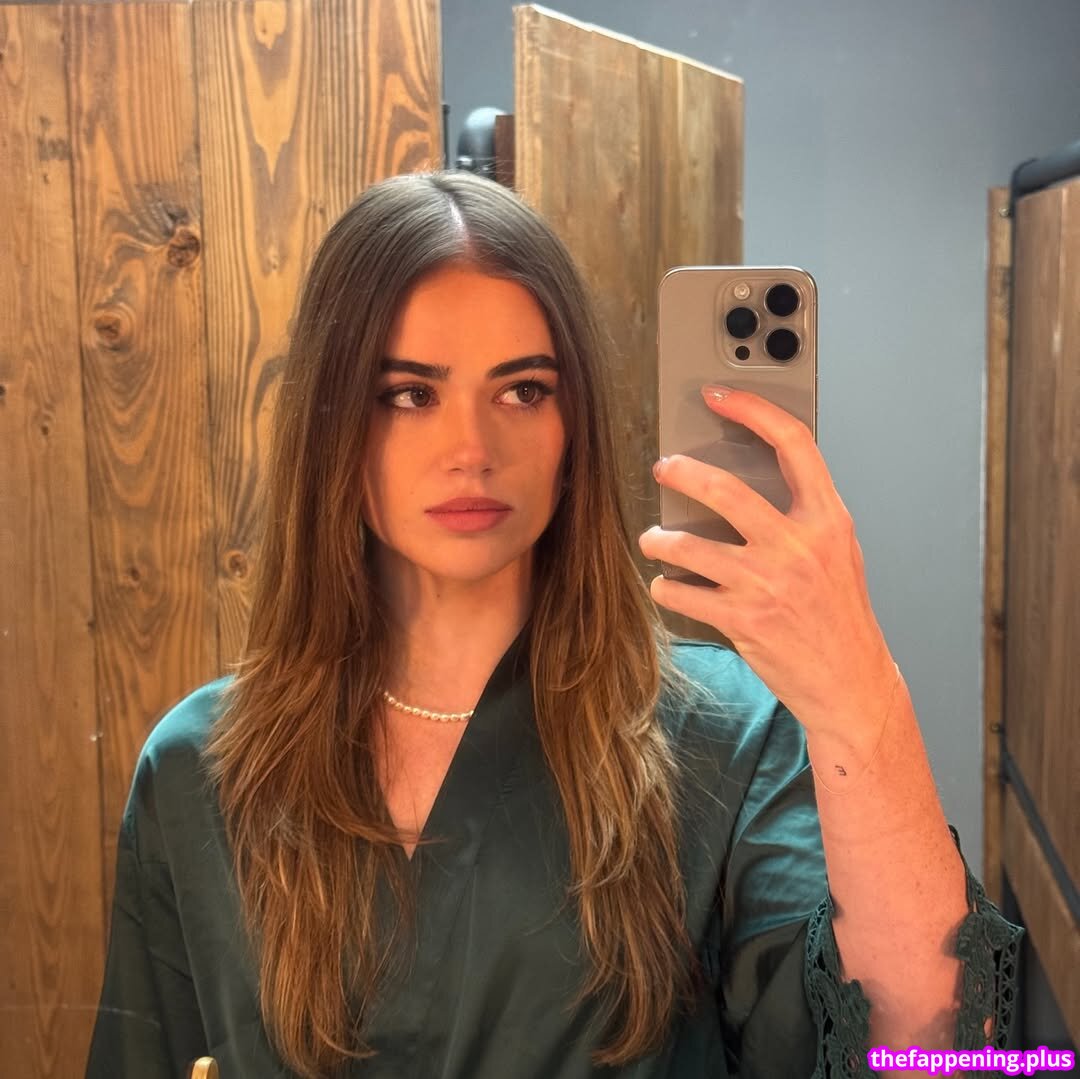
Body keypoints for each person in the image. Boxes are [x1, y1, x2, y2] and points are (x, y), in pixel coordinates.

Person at [86, 171, 1021, 1079]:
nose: (472, 450)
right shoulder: (199, 769)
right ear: (331, 422)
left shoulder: (728, 740)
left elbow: (938, 1055)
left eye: (523, 390)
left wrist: (862, 701)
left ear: (575, 425)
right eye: (410, 393)